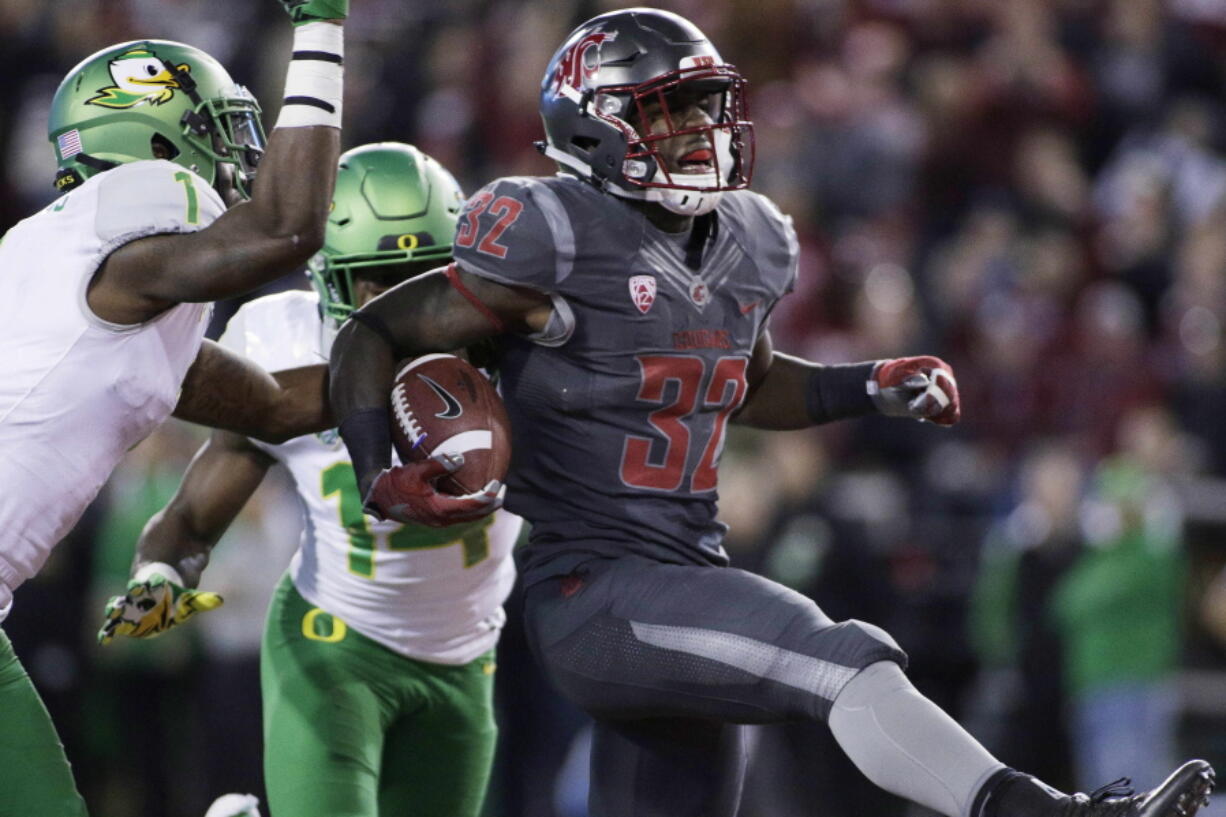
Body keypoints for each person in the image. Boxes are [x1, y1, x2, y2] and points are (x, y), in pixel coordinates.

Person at [328, 8, 1216, 817]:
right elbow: (374, 332)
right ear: (593, 124)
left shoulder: (749, 237)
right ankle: (1049, 813)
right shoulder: (548, 228)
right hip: (591, 589)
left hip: (682, 578)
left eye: (708, 107)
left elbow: (743, 383)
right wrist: (379, 468)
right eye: (671, 111)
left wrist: (866, 384)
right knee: (834, 654)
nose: (701, 131)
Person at [0, 1, 348, 814]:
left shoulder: (97, 288)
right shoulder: (124, 236)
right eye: (221, 132)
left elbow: (277, 406)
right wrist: (323, 28)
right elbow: (286, 227)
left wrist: (451, 346)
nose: (240, 158)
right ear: (155, 143)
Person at [113, 143, 523, 817]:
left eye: (422, 276)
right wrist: (157, 577)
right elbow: (189, 519)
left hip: (467, 662)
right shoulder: (287, 348)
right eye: (375, 281)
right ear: (329, 280)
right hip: (335, 652)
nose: (399, 306)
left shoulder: (521, 354)